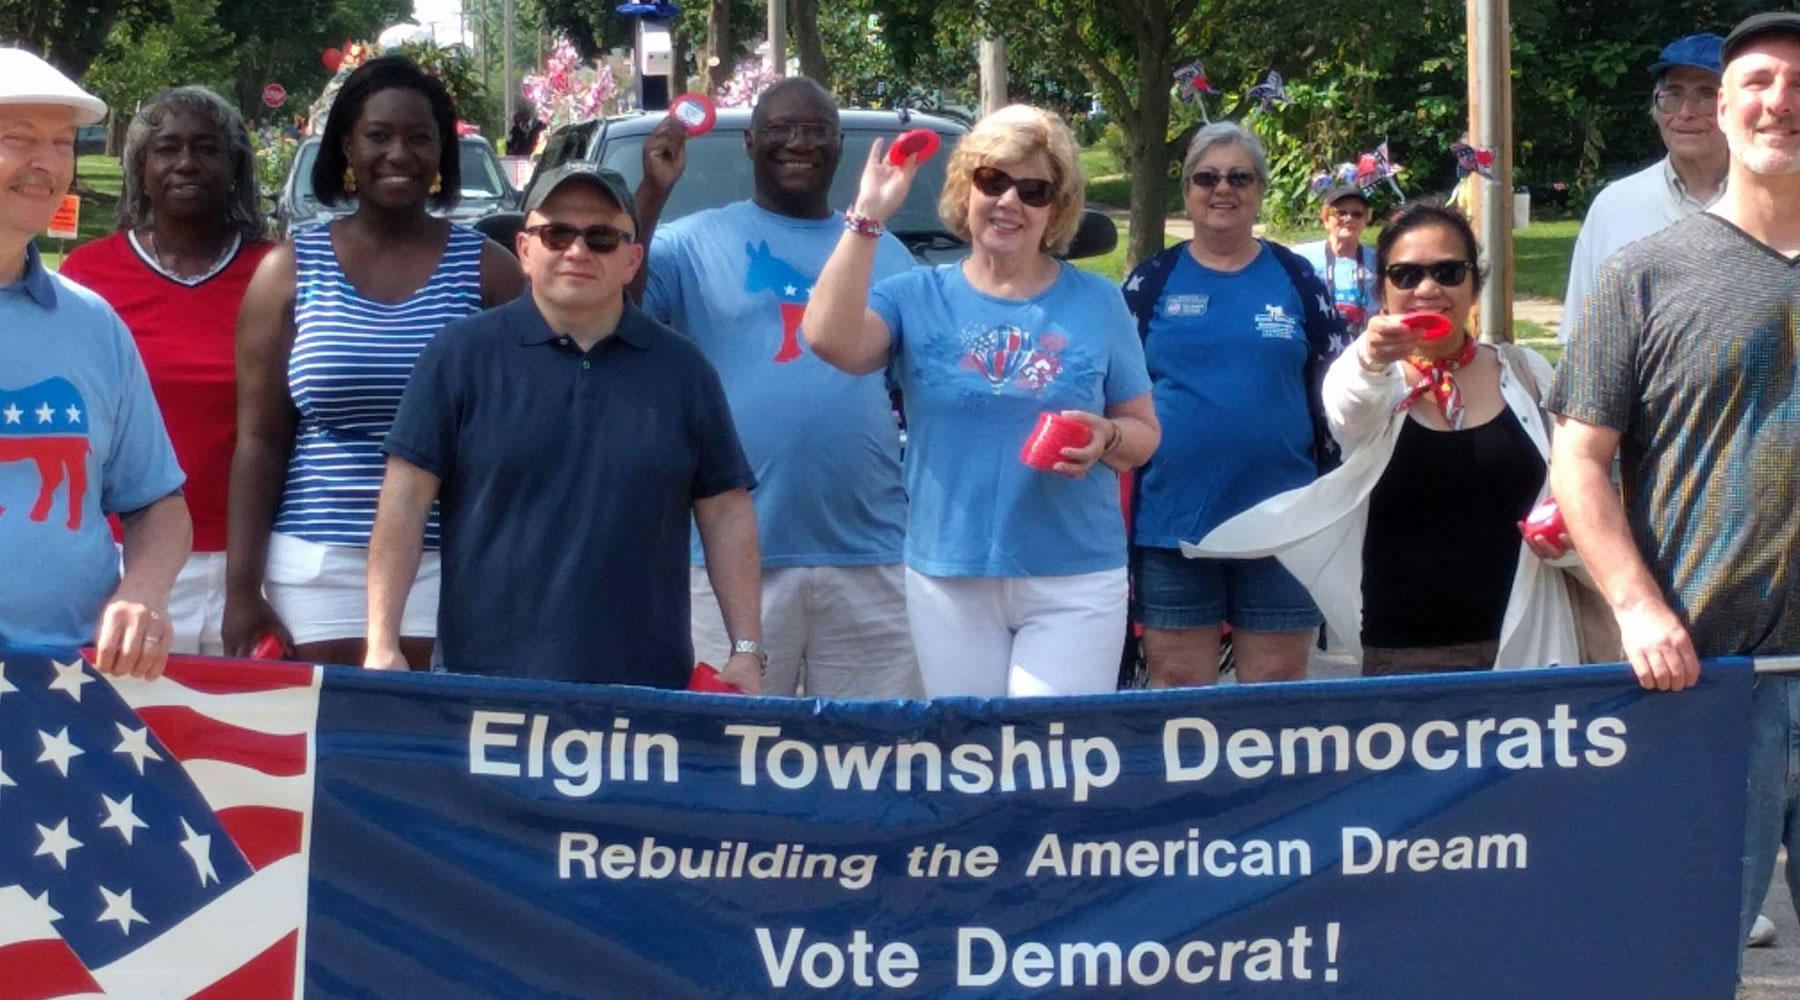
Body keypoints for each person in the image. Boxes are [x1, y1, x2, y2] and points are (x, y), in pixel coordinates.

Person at [1548, 11, 1800, 954]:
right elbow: (1578, 458)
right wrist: (1636, 605)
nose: (1783, 102)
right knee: (1679, 956)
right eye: (1762, 82)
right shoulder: (1643, 274)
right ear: (1722, 109)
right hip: (1701, 679)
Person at [804, 104, 1160, 698]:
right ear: (964, 190)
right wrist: (868, 216)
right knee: (972, 762)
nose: (1009, 201)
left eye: (1034, 189)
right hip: (948, 573)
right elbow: (827, 339)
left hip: (1073, 576)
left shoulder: (1098, 302)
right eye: (992, 180)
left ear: (1057, 208)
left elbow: (1143, 433)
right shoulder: (916, 295)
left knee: (1046, 764)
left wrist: (1108, 439)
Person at [365, 164, 764, 691]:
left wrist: (747, 649)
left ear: (632, 260)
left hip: (645, 698)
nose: (577, 251)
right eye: (556, 234)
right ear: (525, 249)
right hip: (483, 690)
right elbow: (404, 501)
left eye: (601, 238)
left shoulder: (685, 373)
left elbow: (726, 513)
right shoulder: (457, 358)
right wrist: (381, 641)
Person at [1194, 203, 1592, 674]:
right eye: (1405, 275)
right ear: (1381, 289)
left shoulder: (1528, 375)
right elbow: (1346, 410)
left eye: (1448, 271)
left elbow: (1580, 484)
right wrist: (1370, 355)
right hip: (1403, 659)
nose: (1428, 289)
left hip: (1530, 646)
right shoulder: (1373, 378)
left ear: (1473, 283)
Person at [229, 56, 524, 669]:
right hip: (313, 566)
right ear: (346, 147)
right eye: (378, 135)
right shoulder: (289, 270)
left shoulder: (490, 270)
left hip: (450, 564)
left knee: (432, 758)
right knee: (320, 754)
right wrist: (241, 591)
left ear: (443, 152)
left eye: (420, 137)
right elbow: (259, 440)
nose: (399, 153)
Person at [634, 77, 921, 698]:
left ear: (839, 146)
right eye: (782, 129)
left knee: (871, 761)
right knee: (727, 759)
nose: (799, 142)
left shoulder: (889, 252)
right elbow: (616, 301)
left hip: (872, 553)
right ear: (749, 142)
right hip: (726, 564)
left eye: (816, 130)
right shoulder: (692, 242)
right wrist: (653, 193)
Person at [1119, 122, 1347, 688]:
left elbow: (1340, 389)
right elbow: (1115, 391)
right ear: (1187, 192)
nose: (1222, 189)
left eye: (1239, 177)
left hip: (1283, 523)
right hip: (1173, 525)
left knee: (1274, 688)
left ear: (1259, 190)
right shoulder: (1151, 282)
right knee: (1177, 689)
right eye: (1207, 178)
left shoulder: (1298, 279)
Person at [60, 86, 273, 655]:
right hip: (123, 562)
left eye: (206, 148)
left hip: (255, 561)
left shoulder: (277, 272)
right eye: (167, 149)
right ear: (141, 170)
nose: (186, 163)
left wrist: (248, 581)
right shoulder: (87, 274)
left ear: (234, 168)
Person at [0, 49, 190, 678]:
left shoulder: (94, 324)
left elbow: (157, 502)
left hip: (71, 691)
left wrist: (143, 591)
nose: (46, 165)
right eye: (17, 140)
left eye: (62, 142)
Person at [1562, 32, 1727, 338]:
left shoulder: (1774, 202)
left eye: (1706, 95)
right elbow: (1581, 337)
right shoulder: (1615, 206)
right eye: (1673, 95)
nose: (1685, 113)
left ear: (1736, 107)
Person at [1291, 185, 1378, 337]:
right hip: (1312, 340)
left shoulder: (1377, 261)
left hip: (1359, 343)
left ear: (1366, 220)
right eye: (1340, 213)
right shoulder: (1300, 256)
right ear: (1325, 218)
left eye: (1357, 214)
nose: (1348, 218)